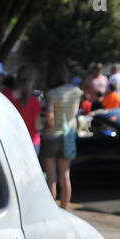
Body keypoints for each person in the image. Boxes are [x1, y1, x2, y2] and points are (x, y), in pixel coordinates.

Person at [41, 67, 82, 208]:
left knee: (51, 177)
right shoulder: (76, 92)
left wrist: (46, 127)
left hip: (51, 136)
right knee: (65, 176)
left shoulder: (51, 93)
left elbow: (49, 115)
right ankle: (65, 209)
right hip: (68, 136)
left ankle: (50, 210)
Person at [14, 68, 41, 153]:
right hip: (32, 142)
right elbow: (37, 126)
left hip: (14, 141)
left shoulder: (7, 96)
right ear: (32, 81)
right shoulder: (34, 101)